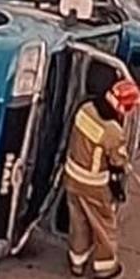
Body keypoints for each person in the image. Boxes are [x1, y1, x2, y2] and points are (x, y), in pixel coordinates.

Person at [64, 79, 138, 278]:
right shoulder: (113, 130)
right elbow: (117, 160)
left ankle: (77, 262)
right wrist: (124, 165)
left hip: (71, 175)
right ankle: (105, 268)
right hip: (93, 184)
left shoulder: (85, 109)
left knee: (78, 221)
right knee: (104, 225)